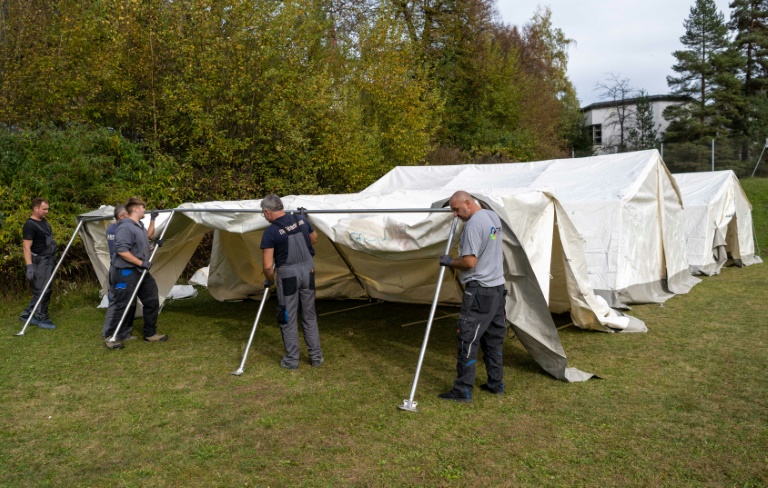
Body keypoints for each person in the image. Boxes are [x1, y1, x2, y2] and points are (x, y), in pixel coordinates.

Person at [437, 191, 507, 403]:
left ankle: (462, 390)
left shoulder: (473, 225)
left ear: (468, 203)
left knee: (467, 338)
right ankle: (496, 384)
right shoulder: (492, 216)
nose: (456, 215)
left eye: (456, 209)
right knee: (493, 339)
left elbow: (469, 262)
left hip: (480, 290)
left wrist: (449, 261)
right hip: (497, 288)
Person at [260, 194, 324, 369]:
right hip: (308, 272)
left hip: (288, 276)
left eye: (263, 214)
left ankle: (292, 360)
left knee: (287, 317)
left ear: (267, 211)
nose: (264, 217)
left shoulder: (271, 232)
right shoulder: (301, 219)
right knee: (309, 315)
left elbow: (267, 266)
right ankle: (316, 357)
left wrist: (269, 280)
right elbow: (314, 239)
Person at [104, 197, 167, 349]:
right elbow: (122, 251)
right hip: (126, 272)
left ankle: (150, 333)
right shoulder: (125, 227)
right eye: (143, 207)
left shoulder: (138, 226)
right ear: (136, 209)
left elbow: (138, 248)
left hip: (141, 272)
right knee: (122, 304)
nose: (145, 210)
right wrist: (141, 263)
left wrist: (152, 246)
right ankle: (111, 337)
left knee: (152, 300)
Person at [20, 197, 58, 330]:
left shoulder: (44, 222)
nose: (47, 211)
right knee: (43, 290)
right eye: (44, 209)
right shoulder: (30, 225)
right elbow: (26, 247)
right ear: (36, 209)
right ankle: (42, 318)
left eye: (47, 208)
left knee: (43, 290)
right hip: (39, 262)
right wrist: (29, 266)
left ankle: (27, 314)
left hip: (48, 260)